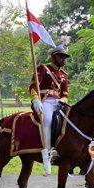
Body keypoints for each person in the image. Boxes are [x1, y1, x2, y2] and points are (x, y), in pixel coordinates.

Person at [30, 43, 70, 174]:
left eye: (65, 57)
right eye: (61, 57)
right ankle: (46, 152)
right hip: (45, 101)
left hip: (59, 102)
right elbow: (33, 86)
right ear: (54, 56)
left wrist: (63, 100)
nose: (63, 60)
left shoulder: (64, 75)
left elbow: (65, 94)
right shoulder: (43, 69)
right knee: (47, 120)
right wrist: (36, 99)